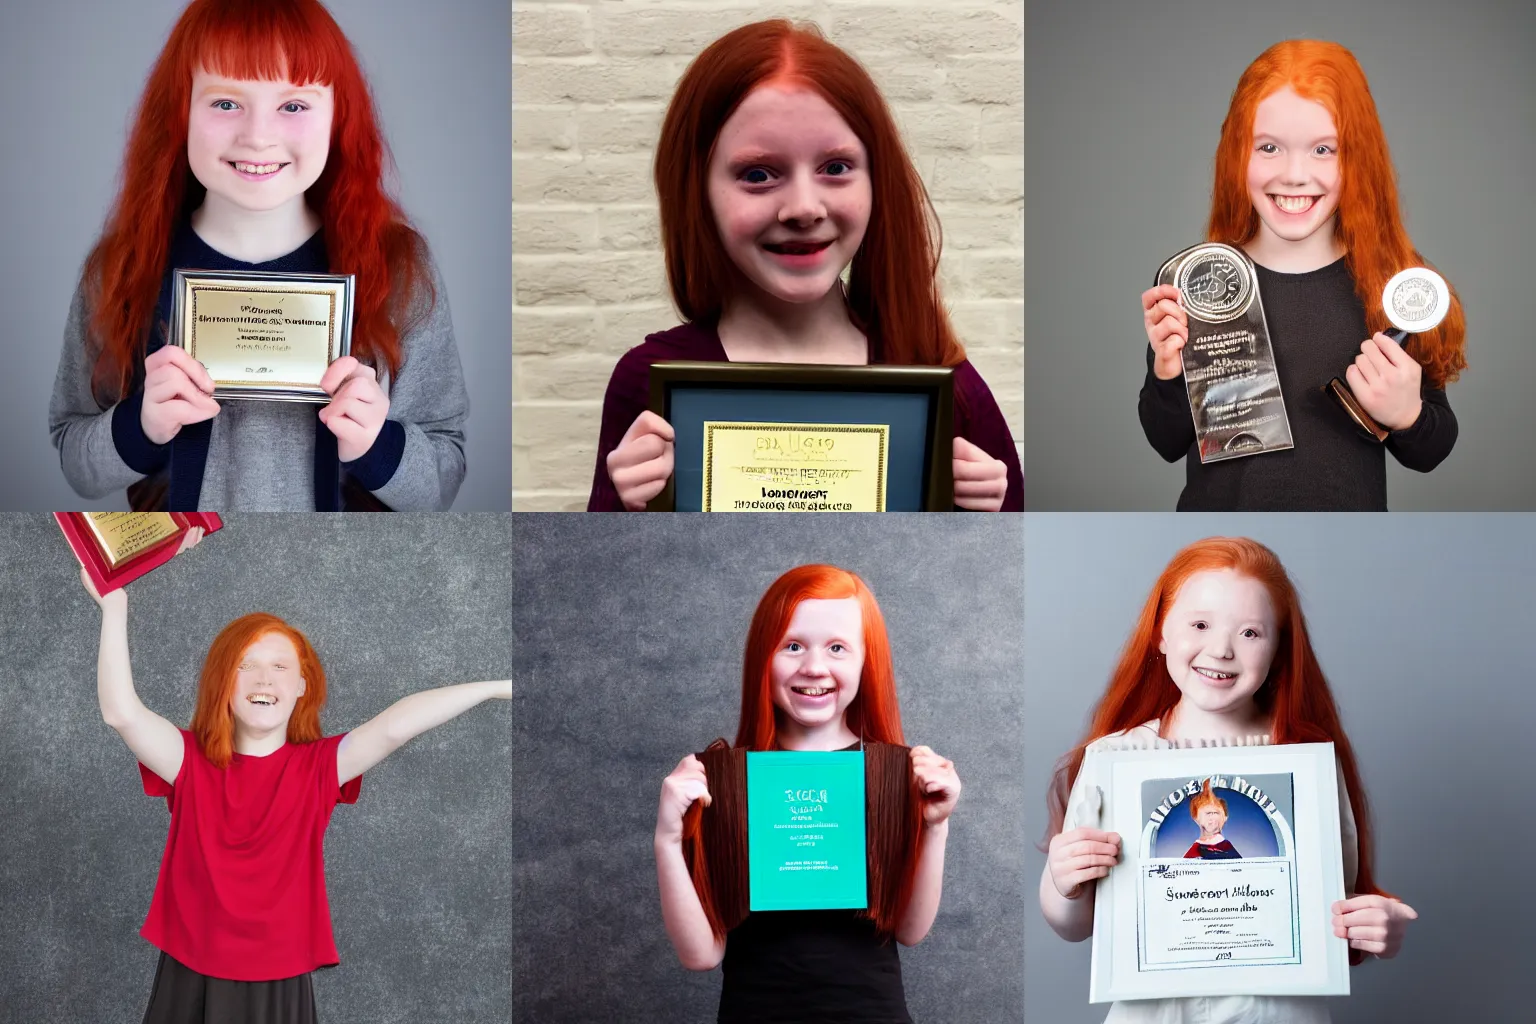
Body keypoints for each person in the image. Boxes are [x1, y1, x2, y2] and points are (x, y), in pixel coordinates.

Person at [50, 0, 468, 511]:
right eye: (226, 103)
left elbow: (443, 478)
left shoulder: (399, 267)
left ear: (339, 116)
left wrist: (376, 445)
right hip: (186, 569)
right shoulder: (123, 267)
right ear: (180, 109)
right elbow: (75, 456)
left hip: (345, 576)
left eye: (293, 105)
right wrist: (139, 426)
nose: (258, 137)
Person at [80, 528, 509, 1023]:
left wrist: (496, 687)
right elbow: (122, 714)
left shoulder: (319, 767)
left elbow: (396, 724)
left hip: (279, 980)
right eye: (247, 666)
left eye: (280, 666)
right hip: (190, 972)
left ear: (303, 685)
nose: (264, 679)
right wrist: (115, 608)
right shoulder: (187, 760)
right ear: (224, 683)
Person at [590, 20, 1021, 512]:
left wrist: (989, 521)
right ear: (697, 193)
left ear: (876, 182)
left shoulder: (949, 382)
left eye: (835, 168)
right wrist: (622, 511)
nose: (804, 208)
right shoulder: (643, 381)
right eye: (757, 174)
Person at [1041, 537, 1417, 1023]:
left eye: (1250, 633)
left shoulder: (1305, 763)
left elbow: (1335, 902)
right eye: (1199, 624)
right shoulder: (1116, 757)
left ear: (1279, 649)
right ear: (1161, 634)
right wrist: (1063, 881)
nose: (1220, 650)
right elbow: (1076, 926)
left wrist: (1379, 924)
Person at [1138, 40, 1465, 511]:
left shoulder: (1394, 285)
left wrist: (1407, 414)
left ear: (1357, 158)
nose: (1294, 174)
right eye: (1269, 147)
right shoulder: (1198, 280)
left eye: (1323, 150)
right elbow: (1164, 440)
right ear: (1238, 154)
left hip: (1347, 548)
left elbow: (1433, 450)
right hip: (1222, 539)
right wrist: (1167, 373)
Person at [654, 565, 961, 1022]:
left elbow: (910, 931)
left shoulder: (898, 772)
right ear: (765, 656)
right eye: (793, 646)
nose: (814, 667)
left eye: (837, 647)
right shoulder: (720, 780)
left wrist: (936, 826)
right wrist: (666, 839)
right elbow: (701, 954)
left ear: (865, 661)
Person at [1182, 778, 1242, 860]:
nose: (1213, 818)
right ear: (1196, 817)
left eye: (1216, 813)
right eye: (1208, 813)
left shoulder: (1228, 848)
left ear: (1225, 818)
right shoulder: (1194, 851)